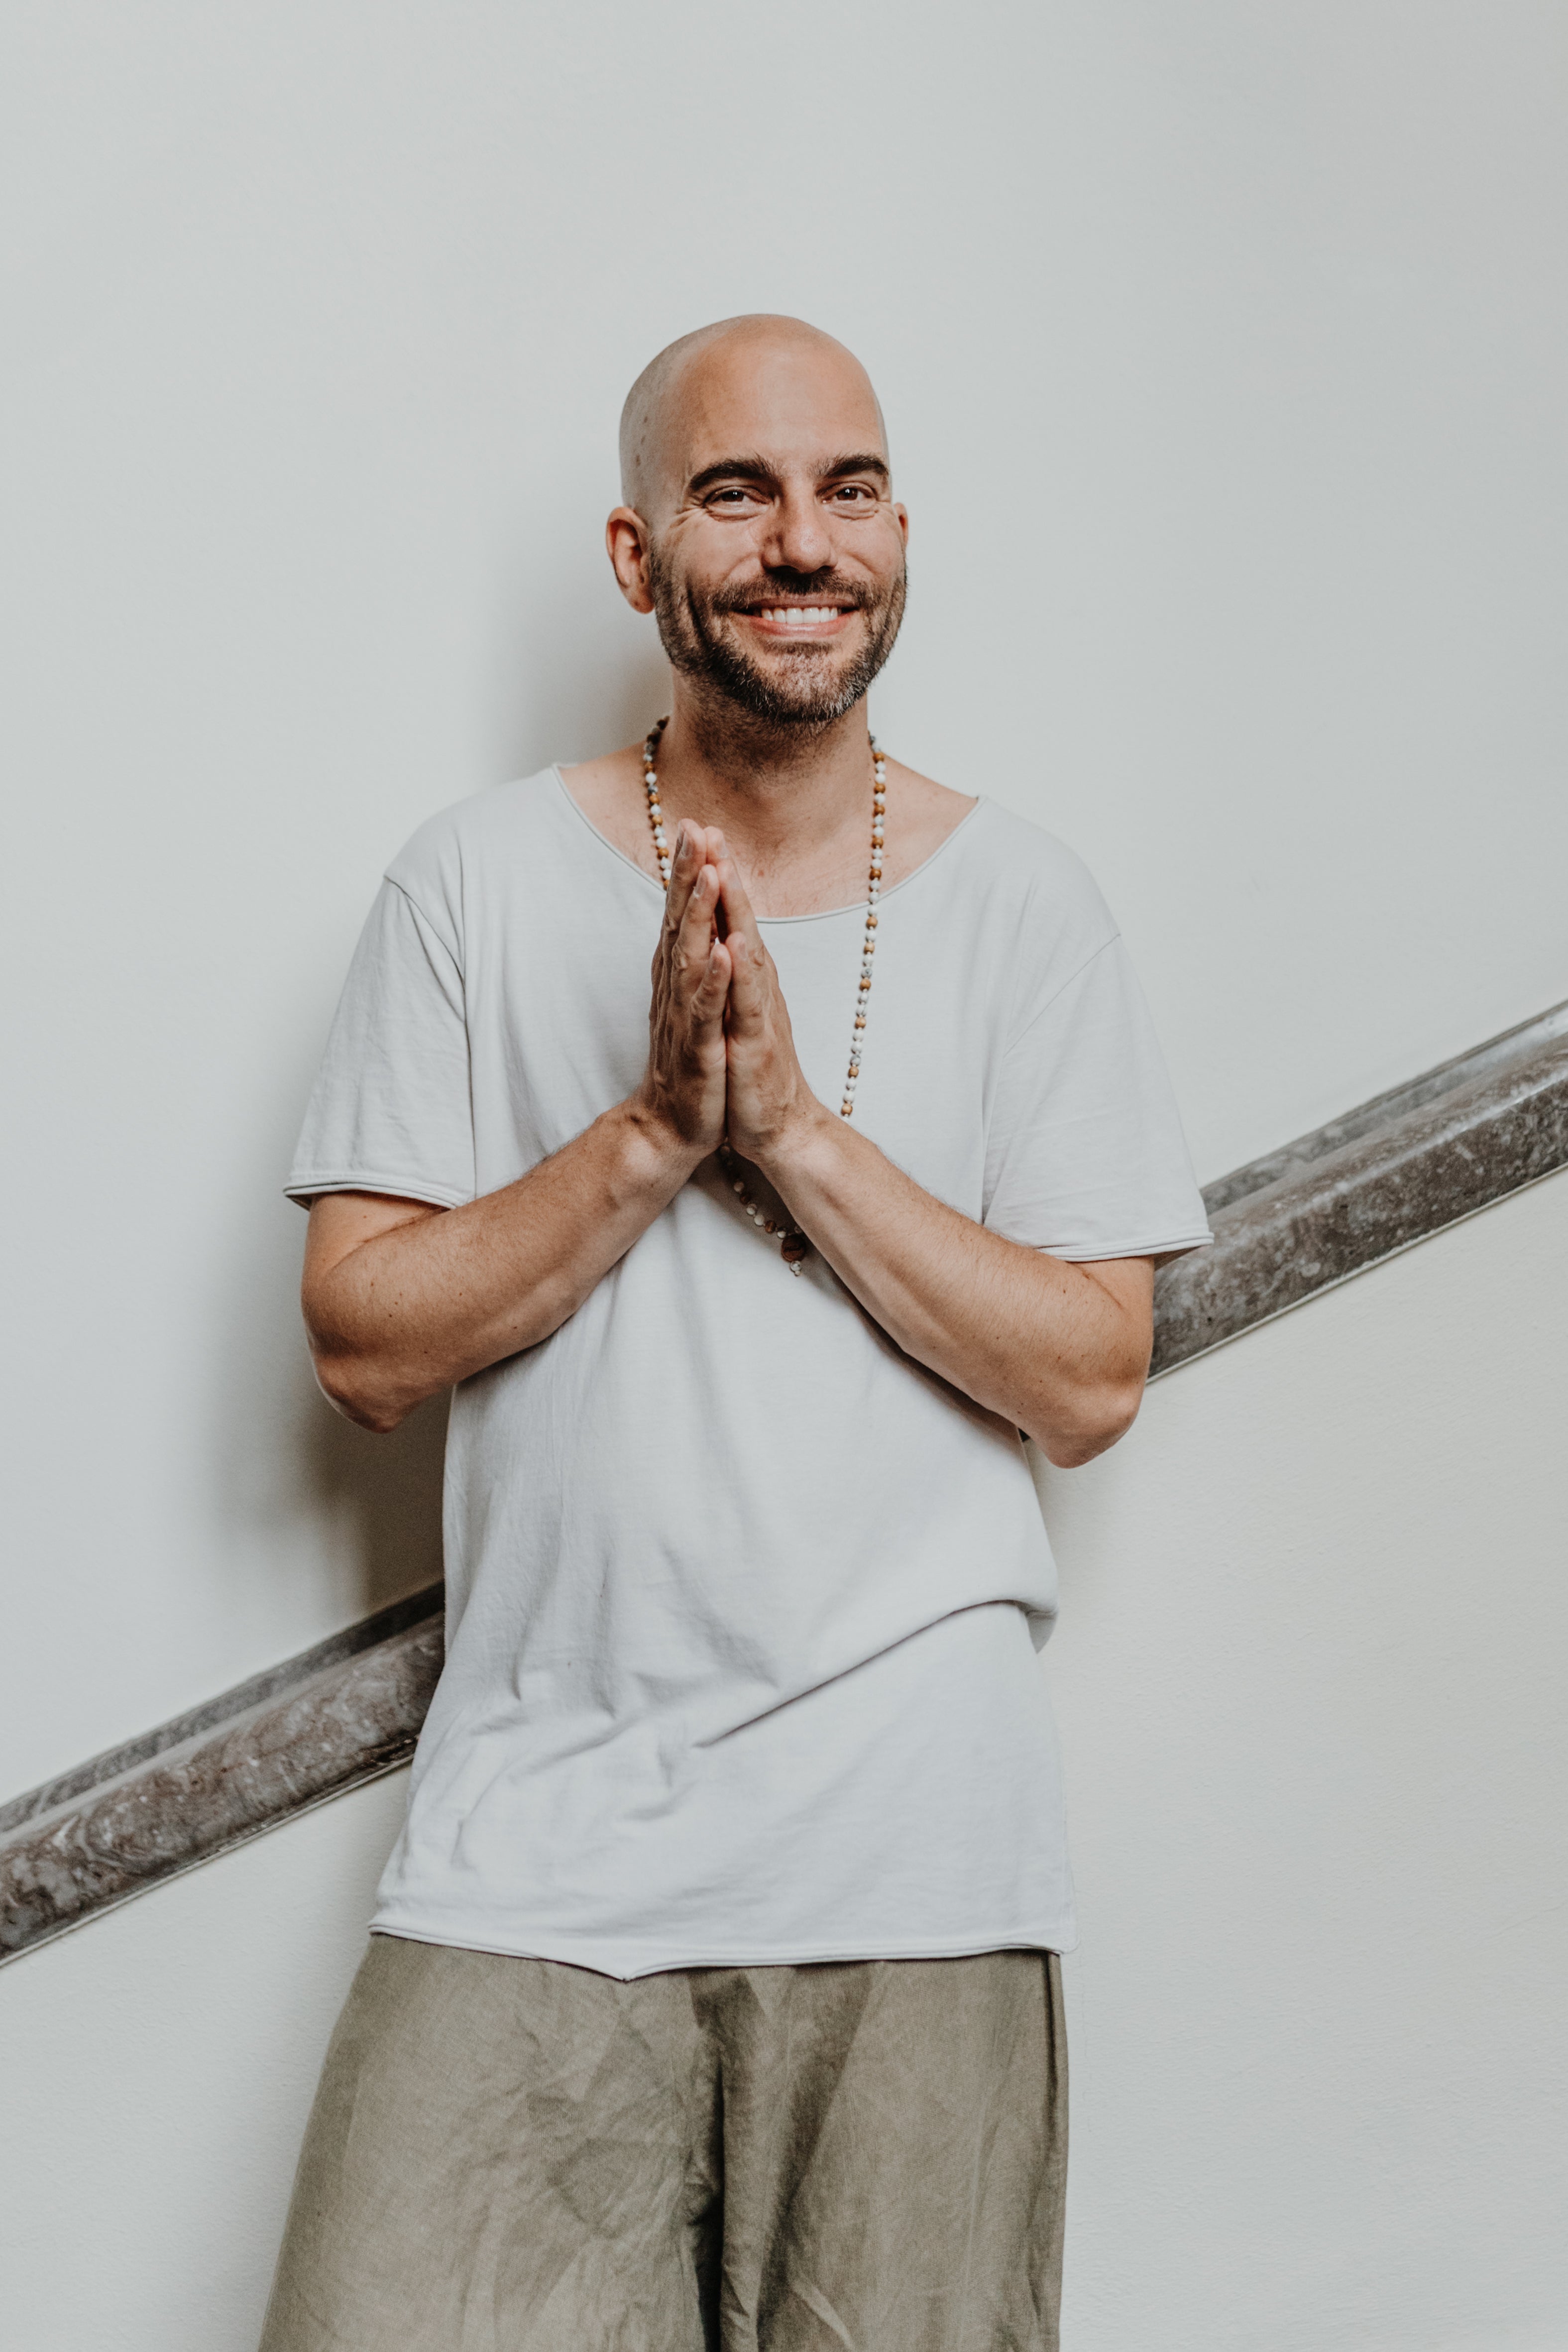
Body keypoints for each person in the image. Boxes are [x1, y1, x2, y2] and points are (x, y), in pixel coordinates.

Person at [262, 313, 1210, 2352]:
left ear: (897, 534)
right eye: (736, 490)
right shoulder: (471, 883)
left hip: (917, 1860)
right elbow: (362, 1339)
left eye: (847, 489)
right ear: (636, 556)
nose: (803, 542)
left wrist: (787, 1128)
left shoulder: (1027, 906)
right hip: (533, 1846)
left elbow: (1090, 1373)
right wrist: (646, 1135)